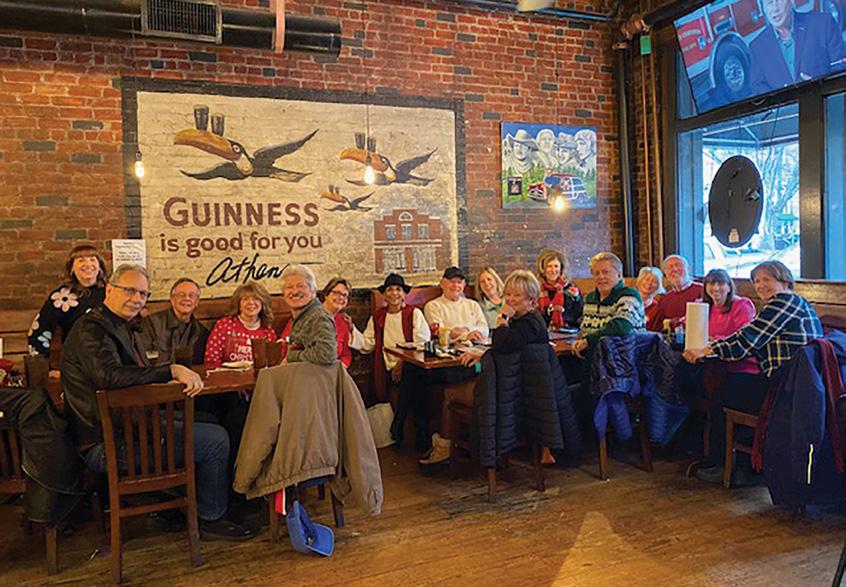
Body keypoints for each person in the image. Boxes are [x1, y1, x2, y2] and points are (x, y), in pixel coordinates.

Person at [61, 264, 253, 540]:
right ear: (109, 290)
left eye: (143, 294)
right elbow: (108, 376)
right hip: (106, 443)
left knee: (209, 419)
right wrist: (171, 370)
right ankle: (210, 517)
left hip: (123, 427)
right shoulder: (92, 329)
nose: (137, 299)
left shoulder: (114, 325)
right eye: (129, 291)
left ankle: (197, 501)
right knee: (216, 440)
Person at [684, 261, 823, 483]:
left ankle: (724, 465)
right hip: (790, 383)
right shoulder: (788, 304)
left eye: (766, 279)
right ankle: (742, 464)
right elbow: (748, 338)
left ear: (785, 281)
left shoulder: (785, 302)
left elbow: (748, 339)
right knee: (729, 387)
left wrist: (708, 350)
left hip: (787, 388)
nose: (760, 285)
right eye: (757, 281)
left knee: (721, 395)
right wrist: (712, 348)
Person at [423, 270, 549, 466]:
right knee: (470, 372)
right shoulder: (529, 321)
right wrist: (484, 355)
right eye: (508, 294)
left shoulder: (525, 325)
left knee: (450, 393)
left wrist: (502, 319)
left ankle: (445, 450)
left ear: (531, 299)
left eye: (517, 295)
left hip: (509, 392)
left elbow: (502, 342)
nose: (510, 300)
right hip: (518, 388)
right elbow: (506, 350)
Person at [351, 273, 431, 442]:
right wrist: (351, 329)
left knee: (412, 375)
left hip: (411, 364)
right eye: (390, 289)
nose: (394, 293)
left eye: (398, 289)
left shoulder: (414, 313)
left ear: (404, 294)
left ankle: (399, 423)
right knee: (417, 385)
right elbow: (368, 344)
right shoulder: (378, 316)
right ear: (384, 294)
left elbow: (422, 342)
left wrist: (402, 362)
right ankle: (420, 434)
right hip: (387, 367)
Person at [28, 245, 109, 368]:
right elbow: (39, 330)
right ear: (71, 269)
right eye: (81, 260)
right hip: (77, 361)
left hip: (110, 359)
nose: (88, 264)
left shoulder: (112, 293)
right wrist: (44, 368)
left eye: (92, 259)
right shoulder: (62, 296)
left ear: (100, 267)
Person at [748, 0, 844, 95]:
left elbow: (841, 65)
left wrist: (819, 86)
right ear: (763, 8)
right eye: (769, 3)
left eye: (779, 1)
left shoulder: (822, 23)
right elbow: (758, 87)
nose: (775, 9)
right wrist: (779, 98)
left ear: (791, 2)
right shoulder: (756, 47)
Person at [572, 251, 645, 358]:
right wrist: (579, 341)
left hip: (625, 360)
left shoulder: (629, 295)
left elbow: (621, 327)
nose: (601, 277)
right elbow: (584, 330)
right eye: (596, 273)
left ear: (619, 275)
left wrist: (588, 341)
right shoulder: (590, 298)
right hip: (596, 358)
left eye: (606, 272)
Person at [280, 276, 356, 368]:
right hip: (305, 369)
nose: (340, 297)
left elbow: (346, 354)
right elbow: (285, 344)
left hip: (331, 371)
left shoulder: (344, 321)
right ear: (326, 295)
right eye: (336, 293)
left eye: (345, 295)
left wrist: (339, 368)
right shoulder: (305, 315)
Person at [135, 278, 209, 367]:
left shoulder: (201, 332)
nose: (187, 298)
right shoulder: (151, 324)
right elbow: (141, 359)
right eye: (181, 295)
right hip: (156, 374)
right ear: (172, 299)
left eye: (192, 296)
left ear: (196, 302)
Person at [204, 282, 277, 368]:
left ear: (263, 304)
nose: (251, 302)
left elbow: (272, 365)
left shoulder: (268, 332)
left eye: (256, 299)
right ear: (238, 304)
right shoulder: (224, 325)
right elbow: (211, 359)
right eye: (245, 299)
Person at [279, 264, 337, 366]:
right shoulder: (303, 315)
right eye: (289, 287)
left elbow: (326, 354)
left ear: (313, 291)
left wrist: (292, 356)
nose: (295, 291)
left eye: (300, 286)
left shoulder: (319, 316)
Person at [424, 266, 489, 344]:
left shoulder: (473, 304)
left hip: (477, 346)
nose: (455, 285)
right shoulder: (433, 306)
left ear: (464, 285)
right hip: (450, 349)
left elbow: (485, 330)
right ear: (442, 283)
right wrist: (466, 337)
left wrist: (467, 329)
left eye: (459, 282)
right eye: (452, 281)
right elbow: (440, 334)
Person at [536, 248, 583, 331]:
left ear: (561, 269)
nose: (553, 270)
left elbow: (578, 313)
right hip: (544, 330)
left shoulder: (571, 290)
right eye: (549, 266)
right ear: (543, 269)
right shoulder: (537, 290)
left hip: (569, 330)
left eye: (556, 266)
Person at [652, 254, 703, 330]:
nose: (675, 269)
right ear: (666, 274)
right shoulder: (664, 299)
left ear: (688, 269)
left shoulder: (702, 290)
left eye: (678, 265)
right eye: (670, 267)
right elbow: (657, 327)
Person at [637, 266, 665, 332]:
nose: (649, 283)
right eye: (646, 279)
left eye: (654, 281)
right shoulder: (628, 300)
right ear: (640, 280)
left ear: (658, 286)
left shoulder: (657, 308)